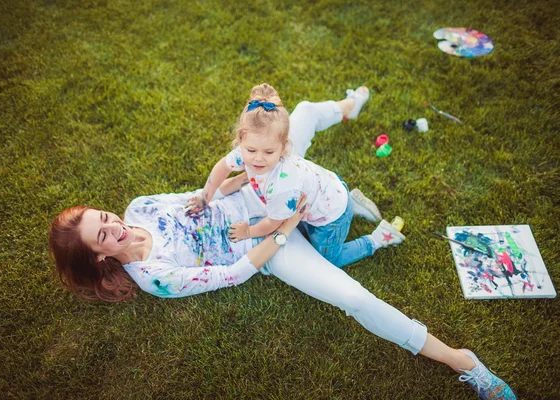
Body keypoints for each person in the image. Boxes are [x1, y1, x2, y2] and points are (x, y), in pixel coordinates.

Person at [49, 88, 516, 399]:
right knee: (353, 297)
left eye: (106, 217)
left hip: (265, 188)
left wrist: (244, 182)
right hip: (269, 246)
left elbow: (198, 194)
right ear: (98, 255)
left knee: (307, 112)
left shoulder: (139, 207)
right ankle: (463, 361)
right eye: (104, 234)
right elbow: (232, 274)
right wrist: (282, 229)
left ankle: (347, 108)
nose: (117, 226)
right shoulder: (155, 277)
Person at [184, 83, 404, 268]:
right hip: (327, 190)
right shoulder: (248, 151)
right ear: (241, 141)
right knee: (302, 225)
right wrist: (206, 197)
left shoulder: (283, 186)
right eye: (251, 150)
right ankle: (352, 204)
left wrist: (248, 231)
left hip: (330, 217)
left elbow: (272, 224)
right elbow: (223, 167)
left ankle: (377, 239)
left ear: (284, 147)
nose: (258, 159)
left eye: (269, 152)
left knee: (328, 259)